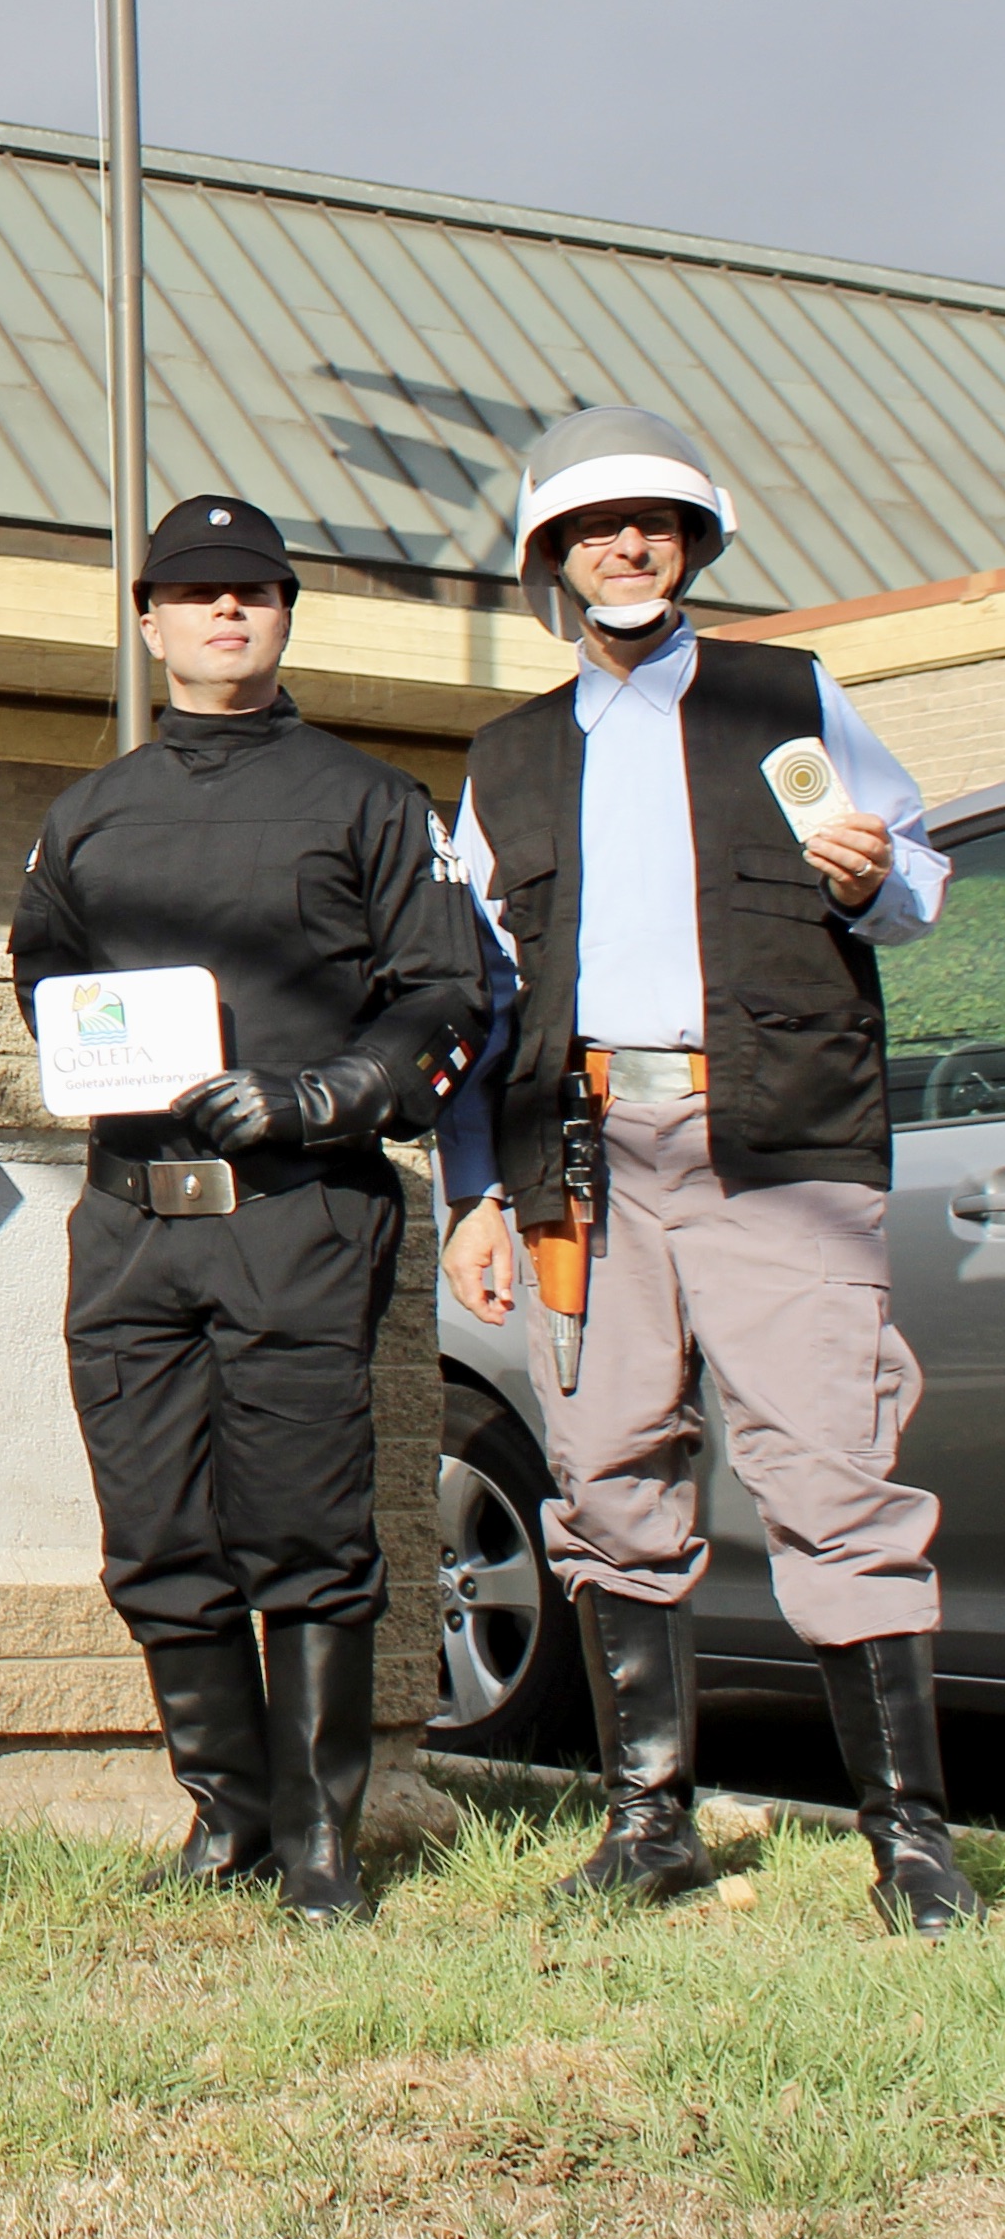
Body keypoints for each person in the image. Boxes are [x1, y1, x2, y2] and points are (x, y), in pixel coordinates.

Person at [439, 407, 977, 1936]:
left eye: (655, 526)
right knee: (604, 1476)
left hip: (773, 1146)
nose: (627, 547)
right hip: (578, 1158)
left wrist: (874, 876)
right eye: (597, 528)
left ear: (690, 549)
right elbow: (477, 1001)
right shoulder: (504, 756)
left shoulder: (783, 695)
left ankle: (909, 1839)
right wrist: (473, 1191)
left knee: (831, 1470)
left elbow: (920, 879)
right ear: (549, 557)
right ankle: (646, 1820)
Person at [10, 493, 487, 1920]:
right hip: (129, 1217)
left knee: (303, 1532)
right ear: (148, 621)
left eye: (255, 592)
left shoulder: (369, 800)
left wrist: (321, 1094)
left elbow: (444, 998)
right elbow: (40, 980)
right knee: (152, 1532)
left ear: (283, 616)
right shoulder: (84, 816)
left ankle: (323, 1842)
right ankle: (224, 1818)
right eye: (197, 592)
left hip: (297, 1211)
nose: (227, 612)